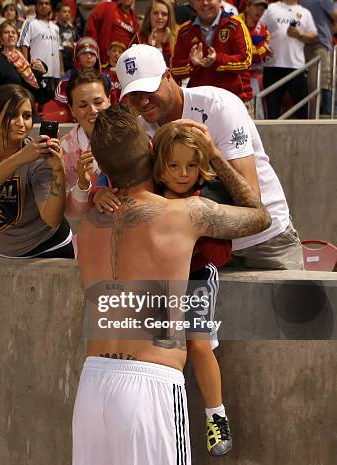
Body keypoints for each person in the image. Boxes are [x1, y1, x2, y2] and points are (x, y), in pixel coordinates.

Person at [73, 105, 271, 465]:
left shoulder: (88, 224)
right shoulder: (184, 215)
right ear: (152, 152)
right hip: (151, 383)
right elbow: (260, 216)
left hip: (92, 384)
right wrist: (213, 155)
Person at [116, 44, 303, 269]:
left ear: (168, 76)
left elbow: (253, 200)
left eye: (148, 89)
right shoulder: (139, 129)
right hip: (201, 248)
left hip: (265, 241)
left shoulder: (220, 106)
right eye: (133, 95)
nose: (143, 101)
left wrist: (213, 154)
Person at [152, 122, 234, 456]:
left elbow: (222, 255)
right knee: (162, 350)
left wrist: (201, 234)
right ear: (160, 167)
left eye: (190, 165)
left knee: (199, 346)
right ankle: (166, 420)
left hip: (197, 278)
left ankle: (217, 416)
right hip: (161, 283)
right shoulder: (150, 195)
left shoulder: (207, 199)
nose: (183, 173)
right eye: (174, 165)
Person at [0, 84, 74, 258]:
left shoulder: (40, 158)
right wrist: (21, 157)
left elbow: (52, 219)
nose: (21, 123)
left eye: (27, 116)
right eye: (12, 115)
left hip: (46, 249)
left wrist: (58, 171)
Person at [171, 0, 254, 116]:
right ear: (193, 3)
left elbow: (246, 61)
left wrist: (218, 60)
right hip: (200, 105)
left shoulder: (236, 25)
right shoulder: (185, 31)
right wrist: (192, 64)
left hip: (236, 101)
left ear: (220, 1)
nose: (205, 3)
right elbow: (174, 69)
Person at [0, 20, 46, 121]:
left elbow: (35, 91)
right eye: (6, 32)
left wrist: (40, 72)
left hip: (20, 110)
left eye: (13, 32)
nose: (11, 35)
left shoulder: (22, 60)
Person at [60, 69, 110, 217]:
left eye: (98, 102)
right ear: (72, 110)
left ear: (109, 100)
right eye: (82, 106)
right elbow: (71, 211)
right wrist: (84, 186)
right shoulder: (66, 149)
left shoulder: (131, 135)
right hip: (93, 230)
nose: (93, 110)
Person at [260, 0, 318, 119]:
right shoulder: (271, 8)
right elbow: (258, 28)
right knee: (273, 111)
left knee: (302, 111)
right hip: (273, 66)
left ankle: (303, 137)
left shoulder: (305, 12)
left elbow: (314, 36)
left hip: (296, 67)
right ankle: (272, 137)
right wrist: (263, 45)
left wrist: (300, 35)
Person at [18, 0, 63, 102]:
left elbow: (59, 50)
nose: (44, 6)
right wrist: (27, 69)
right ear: (36, 7)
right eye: (41, 3)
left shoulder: (55, 27)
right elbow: (23, 44)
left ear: (50, 7)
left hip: (54, 75)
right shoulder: (29, 23)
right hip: (38, 74)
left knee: (53, 106)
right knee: (38, 104)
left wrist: (61, 70)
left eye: (47, 3)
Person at [240, 0, 272, 118]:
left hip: (252, 76)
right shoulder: (235, 22)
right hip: (233, 74)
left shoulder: (263, 29)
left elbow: (261, 54)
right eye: (256, 6)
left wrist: (249, 51)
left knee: (256, 113)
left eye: (263, 8)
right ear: (247, 7)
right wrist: (253, 49)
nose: (260, 10)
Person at [54, 36, 110, 104]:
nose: (89, 57)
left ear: (97, 58)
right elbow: (59, 95)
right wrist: (76, 104)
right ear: (78, 59)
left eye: (92, 54)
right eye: (84, 54)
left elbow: (110, 96)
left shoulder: (104, 77)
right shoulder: (70, 75)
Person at [85, 0, 140, 64]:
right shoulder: (107, 7)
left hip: (123, 63)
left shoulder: (135, 20)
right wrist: (94, 47)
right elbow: (91, 23)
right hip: (104, 61)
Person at [138, 0, 178, 65]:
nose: (159, 17)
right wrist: (149, 47)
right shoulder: (139, 36)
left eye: (164, 14)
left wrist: (166, 45)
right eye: (155, 13)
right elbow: (138, 65)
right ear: (149, 15)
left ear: (169, 17)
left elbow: (175, 67)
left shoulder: (179, 36)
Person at [55, 2, 78, 72]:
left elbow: (78, 43)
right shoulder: (54, 29)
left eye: (69, 12)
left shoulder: (73, 30)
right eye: (64, 12)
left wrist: (74, 44)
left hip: (72, 63)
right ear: (57, 13)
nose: (67, 14)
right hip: (58, 64)